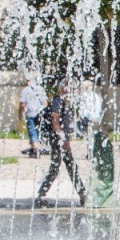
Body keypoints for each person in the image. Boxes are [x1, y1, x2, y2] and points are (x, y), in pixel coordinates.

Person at [34, 79, 87, 207]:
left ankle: (82, 194)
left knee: (64, 167)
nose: (72, 90)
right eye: (69, 88)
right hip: (58, 141)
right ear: (63, 89)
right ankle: (41, 196)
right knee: (62, 168)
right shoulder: (58, 101)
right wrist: (62, 138)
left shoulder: (65, 102)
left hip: (61, 141)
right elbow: (55, 119)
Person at [19, 74, 48, 158]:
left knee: (32, 131)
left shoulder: (26, 90)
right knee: (38, 131)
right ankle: (34, 148)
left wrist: (20, 113)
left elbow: (22, 104)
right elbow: (45, 103)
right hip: (40, 114)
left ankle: (35, 150)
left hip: (30, 113)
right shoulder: (41, 89)